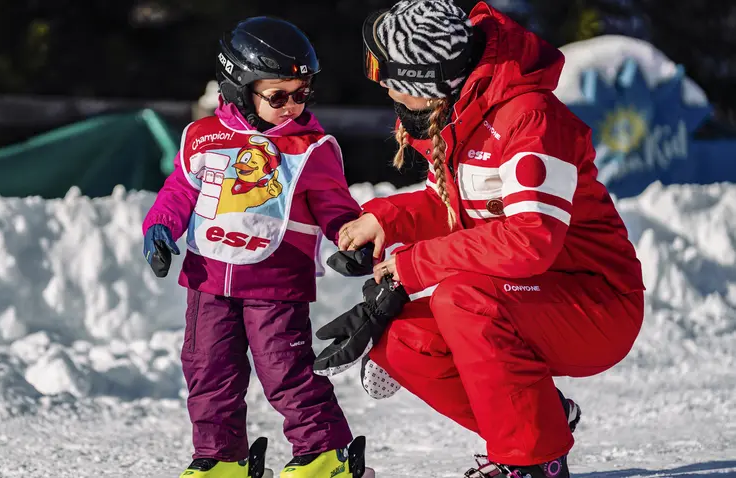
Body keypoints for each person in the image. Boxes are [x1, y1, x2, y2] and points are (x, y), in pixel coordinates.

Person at [313, 1, 645, 477]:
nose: (383, 86)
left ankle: (532, 462)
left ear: (426, 80)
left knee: (462, 299)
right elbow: (451, 206)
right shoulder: (460, 114)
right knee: (401, 341)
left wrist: (413, 266)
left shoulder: (530, 119)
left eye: (387, 74)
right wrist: (388, 220)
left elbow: (530, 240)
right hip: (526, 296)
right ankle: (543, 419)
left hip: (595, 303)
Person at [142, 16, 364, 478]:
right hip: (208, 281)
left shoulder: (310, 147)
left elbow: (335, 204)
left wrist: (350, 237)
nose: (291, 107)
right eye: (278, 96)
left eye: (301, 94)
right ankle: (221, 458)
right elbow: (179, 192)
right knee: (207, 371)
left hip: (275, 283)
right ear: (240, 88)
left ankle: (325, 453)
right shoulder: (203, 137)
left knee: (285, 369)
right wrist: (160, 227)